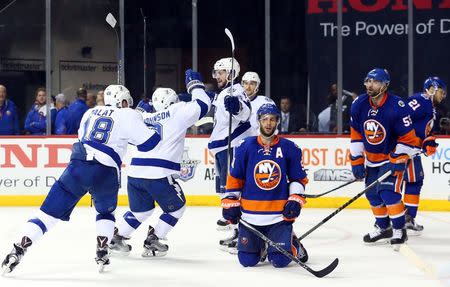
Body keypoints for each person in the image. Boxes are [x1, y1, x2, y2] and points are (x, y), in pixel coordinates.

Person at [1, 85, 161, 274]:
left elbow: (88, 136)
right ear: (124, 101)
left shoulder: (90, 112)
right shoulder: (129, 115)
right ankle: (102, 250)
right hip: (106, 172)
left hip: (77, 166)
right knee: (105, 213)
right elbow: (150, 143)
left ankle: (18, 249)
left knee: (46, 216)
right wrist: (142, 119)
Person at [109, 69, 213, 257]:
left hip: (134, 174)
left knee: (141, 211)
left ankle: (116, 237)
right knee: (177, 208)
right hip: (159, 174)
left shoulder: (142, 116)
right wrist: (196, 86)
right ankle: (154, 239)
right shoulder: (177, 112)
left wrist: (140, 110)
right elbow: (203, 105)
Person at [221, 103, 309, 267]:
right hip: (250, 218)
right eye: (264, 119)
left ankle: (293, 242)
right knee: (247, 261)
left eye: (272, 120)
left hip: (278, 217)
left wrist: (295, 199)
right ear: (258, 121)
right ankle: (261, 245)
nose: (268, 123)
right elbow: (235, 178)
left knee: (280, 261)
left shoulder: (290, 148)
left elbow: (298, 179)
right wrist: (230, 202)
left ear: (277, 122)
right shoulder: (244, 146)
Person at [350, 68, 421, 247]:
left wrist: (398, 158)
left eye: (374, 81)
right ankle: (384, 228)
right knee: (372, 195)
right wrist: (357, 160)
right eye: (368, 81)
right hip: (371, 160)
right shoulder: (359, 104)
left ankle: (399, 230)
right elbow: (356, 134)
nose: (369, 85)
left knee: (389, 193)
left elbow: (409, 138)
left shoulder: (397, 106)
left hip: (390, 159)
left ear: (385, 85)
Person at [209, 57, 252, 250]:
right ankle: (236, 230)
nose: (217, 76)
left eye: (221, 72)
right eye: (216, 72)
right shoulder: (223, 93)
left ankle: (242, 234)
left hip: (232, 146)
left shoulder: (236, 90)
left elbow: (245, 113)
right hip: (223, 148)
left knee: (234, 191)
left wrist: (238, 107)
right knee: (228, 192)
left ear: (231, 74)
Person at [403, 77, 446, 234]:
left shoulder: (431, 108)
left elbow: (424, 130)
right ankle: (389, 220)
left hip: (411, 150)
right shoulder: (421, 100)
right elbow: (402, 117)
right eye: (441, 92)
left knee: (414, 180)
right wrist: (406, 141)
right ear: (432, 89)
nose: (443, 96)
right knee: (396, 182)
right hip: (403, 148)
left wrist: (428, 141)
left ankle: (406, 218)